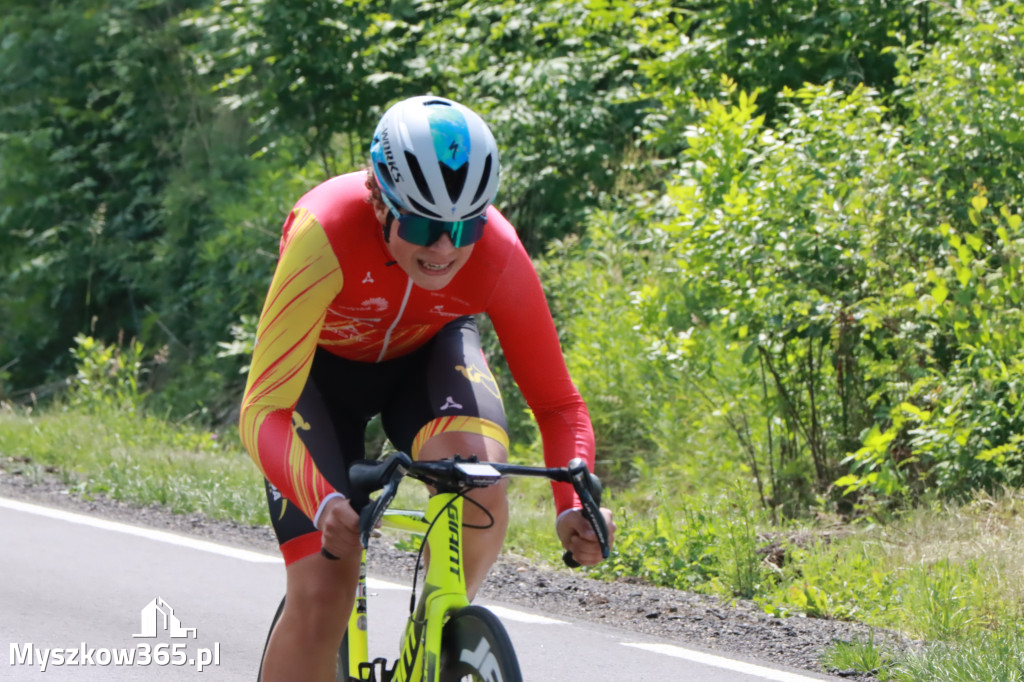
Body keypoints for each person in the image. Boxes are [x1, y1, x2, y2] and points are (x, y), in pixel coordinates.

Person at [238, 95, 616, 682]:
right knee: (323, 593)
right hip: (318, 380)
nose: (444, 249)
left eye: (464, 225)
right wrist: (326, 500)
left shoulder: (497, 253)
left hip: (424, 363)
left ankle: (435, 640)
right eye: (421, 224)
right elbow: (263, 407)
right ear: (377, 198)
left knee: (482, 483)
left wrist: (576, 504)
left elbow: (558, 403)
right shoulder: (326, 230)